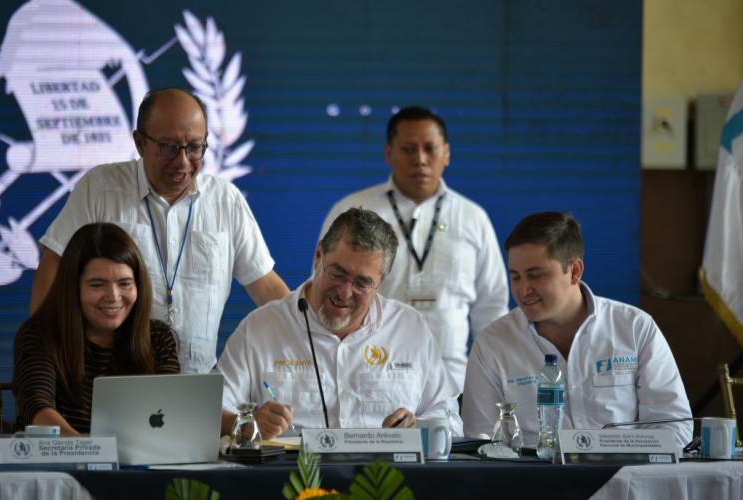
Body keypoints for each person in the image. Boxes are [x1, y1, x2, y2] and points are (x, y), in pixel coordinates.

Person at [30, 88, 289, 372]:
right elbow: (54, 263)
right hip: (112, 380)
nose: (182, 162)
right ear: (139, 143)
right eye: (168, 147)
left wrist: (310, 337)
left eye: (194, 147)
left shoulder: (226, 201)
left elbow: (265, 285)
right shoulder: (101, 188)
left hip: (196, 385)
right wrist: (40, 357)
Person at [217, 208, 462, 439]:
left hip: (385, 479)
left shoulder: (409, 329)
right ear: (318, 256)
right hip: (292, 479)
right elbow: (213, 412)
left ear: (382, 282)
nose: (344, 293)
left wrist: (419, 425)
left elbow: (450, 417)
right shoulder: (260, 328)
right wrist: (249, 425)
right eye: (337, 273)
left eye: (362, 283)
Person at [461, 212, 693, 446]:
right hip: (531, 481)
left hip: (622, 478)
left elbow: (675, 427)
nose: (524, 290)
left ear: (574, 271)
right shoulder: (493, 343)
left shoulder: (634, 328)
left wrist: (608, 451)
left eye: (536, 276)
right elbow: (480, 440)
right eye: (516, 277)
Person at [319, 106, 507, 391]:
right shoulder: (352, 211)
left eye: (430, 149)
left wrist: (491, 382)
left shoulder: (473, 218)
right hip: (367, 375)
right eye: (408, 149)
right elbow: (326, 289)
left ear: (447, 153)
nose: (420, 160)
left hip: (453, 379)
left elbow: (491, 307)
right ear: (388, 153)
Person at [14, 222, 180, 435]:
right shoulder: (39, 334)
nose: (113, 296)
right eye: (97, 284)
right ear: (72, 287)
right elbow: (38, 409)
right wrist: (92, 452)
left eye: (125, 283)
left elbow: (171, 414)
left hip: (139, 464)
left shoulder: (158, 337)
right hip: (59, 466)